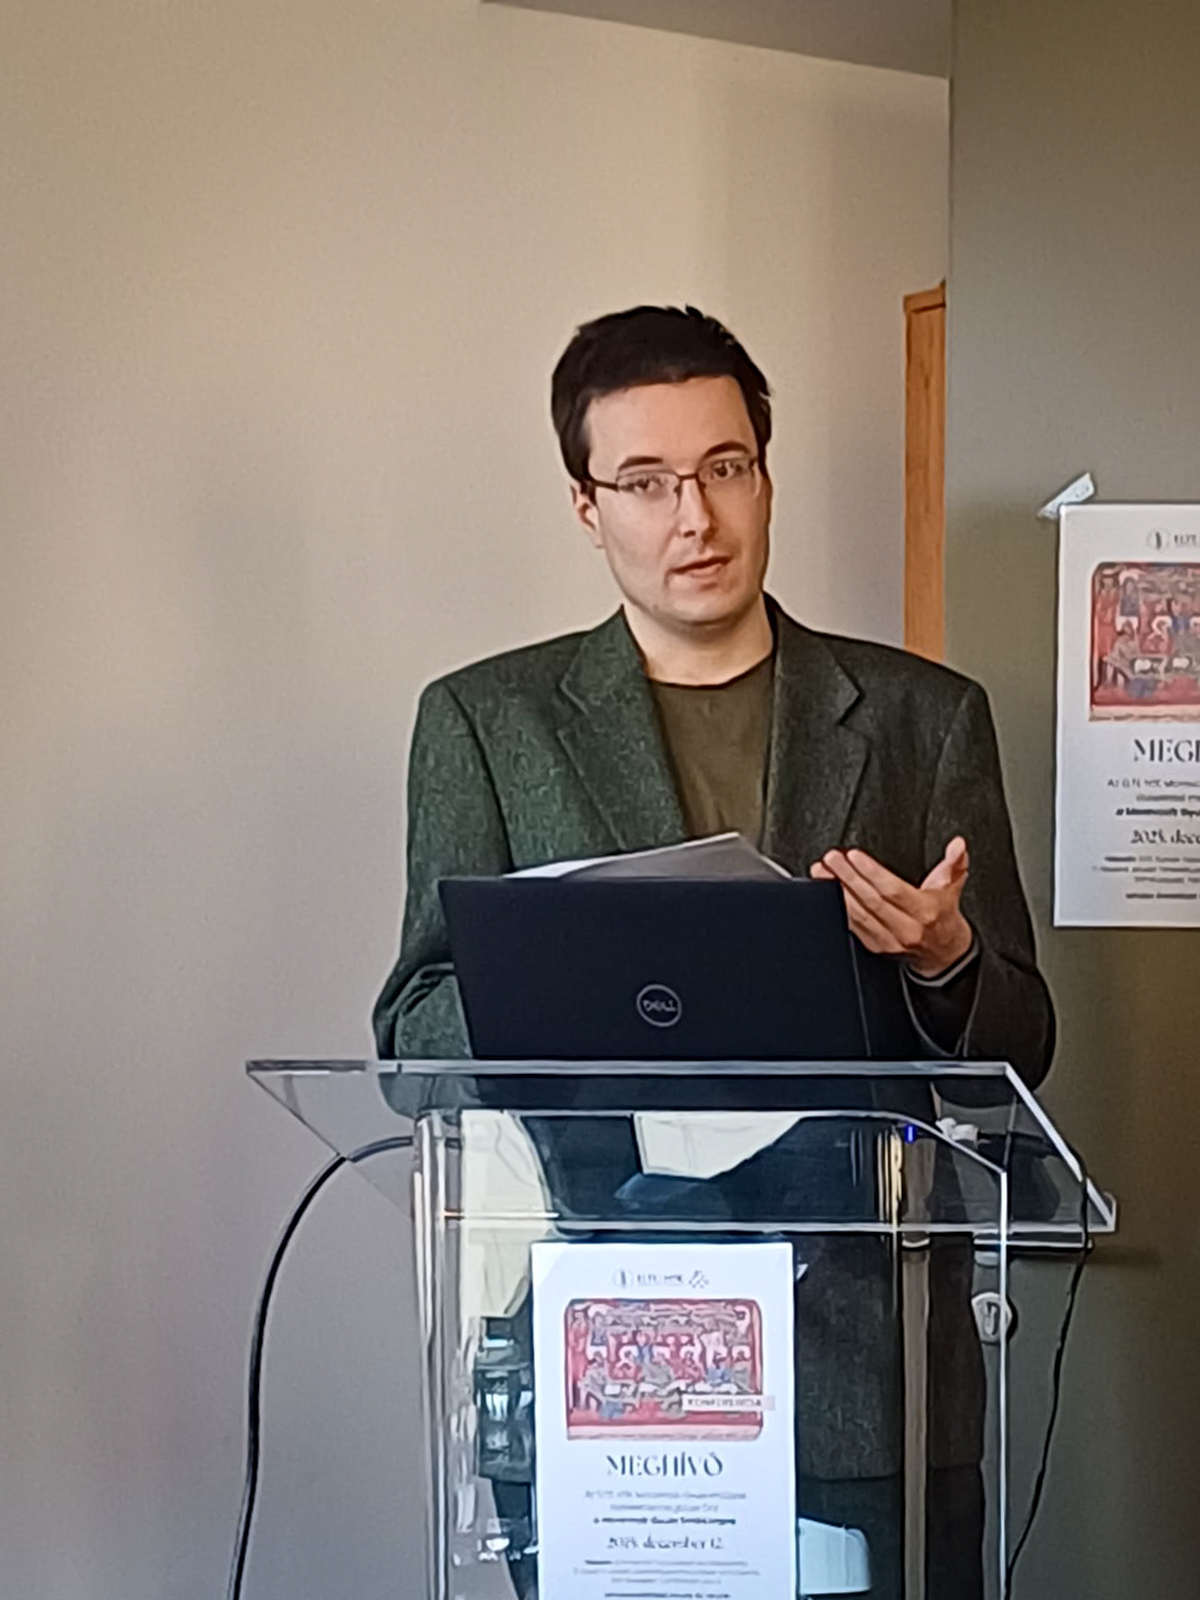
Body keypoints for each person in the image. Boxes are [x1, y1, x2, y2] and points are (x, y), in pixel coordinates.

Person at [373, 305, 1055, 1598]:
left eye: (724, 467)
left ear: (764, 475)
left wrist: (945, 962)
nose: (694, 516)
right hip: (598, 1354)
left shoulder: (924, 718)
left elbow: (1022, 1046)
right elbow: (413, 1036)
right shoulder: (484, 722)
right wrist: (570, 975)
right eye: (645, 481)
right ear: (587, 506)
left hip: (867, 1365)